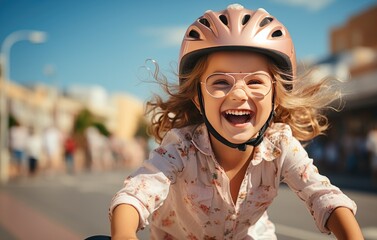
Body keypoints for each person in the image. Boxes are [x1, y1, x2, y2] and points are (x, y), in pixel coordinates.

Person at [109, 4, 363, 239]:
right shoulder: (181, 147)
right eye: (220, 82)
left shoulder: (280, 144)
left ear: (276, 97)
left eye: (255, 82)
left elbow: (323, 196)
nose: (238, 94)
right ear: (198, 99)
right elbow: (137, 194)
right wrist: (123, 233)